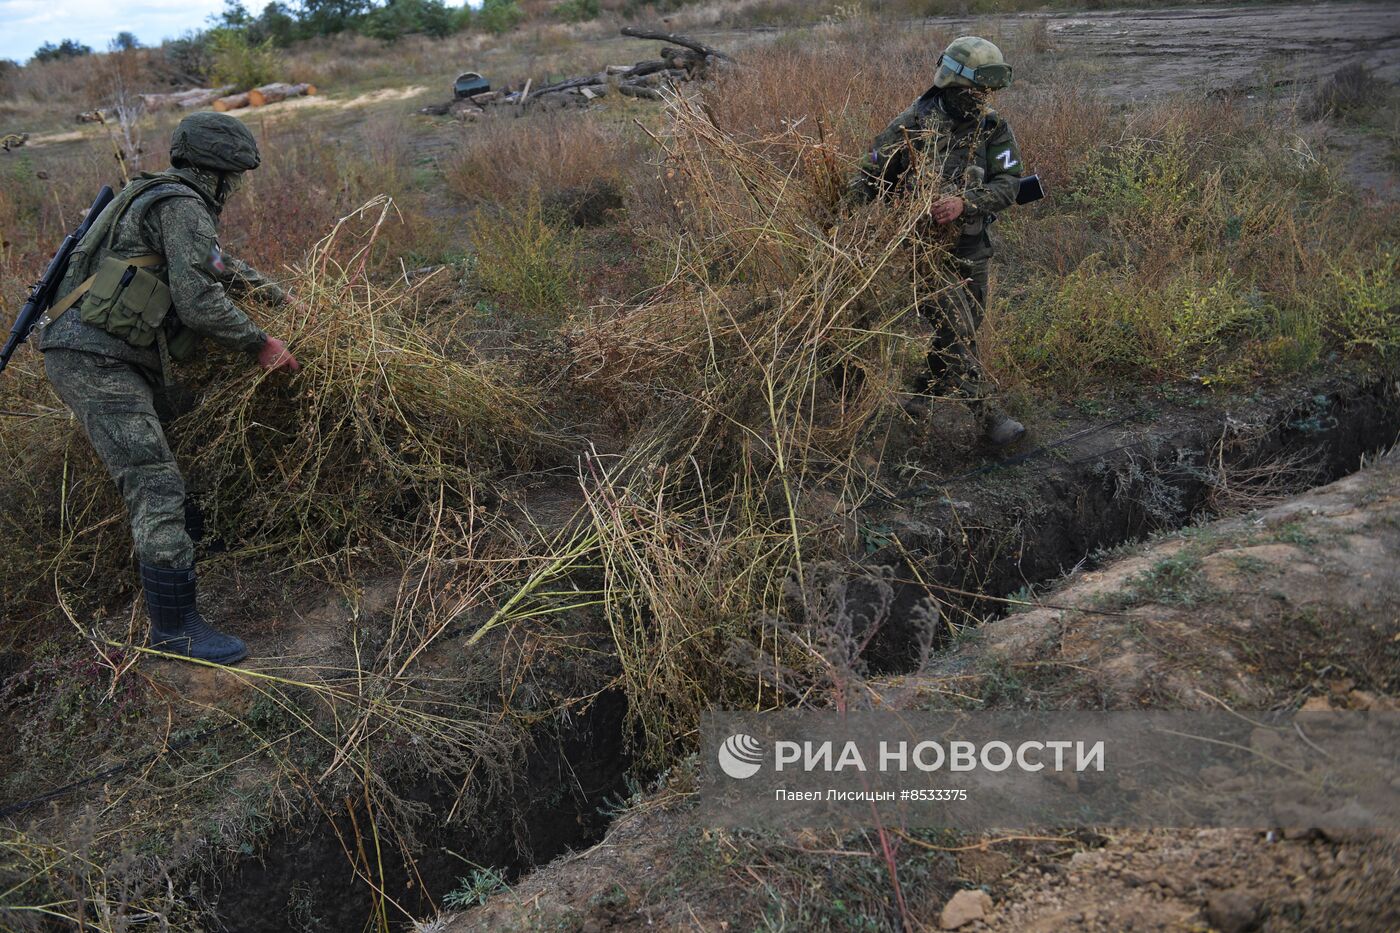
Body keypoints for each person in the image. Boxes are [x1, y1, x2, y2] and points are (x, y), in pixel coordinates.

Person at [37, 111, 301, 665]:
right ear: (222, 173)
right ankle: (175, 629)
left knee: (176, 436)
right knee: (153, 479)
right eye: (236, 178)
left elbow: (212, 262)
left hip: (107, 354)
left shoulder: (158, 196)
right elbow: (198, 300)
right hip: (95, 361)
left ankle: (195, 542)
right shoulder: (182, 204)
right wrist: (262, 343)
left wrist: (280, 296)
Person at [853, 36, 1027, 446]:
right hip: (925, 252)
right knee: (958, 326)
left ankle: (918, 400)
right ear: (951, 82)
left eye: (988, 92)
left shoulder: (992, 126)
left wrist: (965, 203)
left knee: (962, 330)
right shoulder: (911, 124)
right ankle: (991, 419)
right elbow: (868, 178)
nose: (981, 99)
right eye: (974, 91)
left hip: (973, 248)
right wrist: (841, 220)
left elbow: (1010, 183)